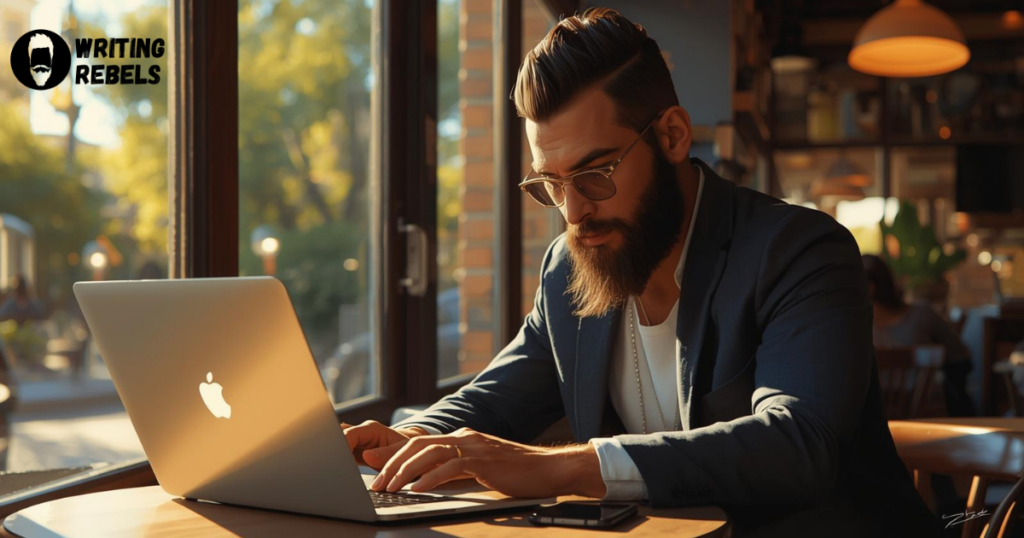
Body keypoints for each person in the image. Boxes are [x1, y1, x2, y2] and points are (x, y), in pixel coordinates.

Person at [343, 9, 944, 537]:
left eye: (595, 174)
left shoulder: (797, 250)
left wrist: (561, 466)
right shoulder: (569, 267)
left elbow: (797, 444)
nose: (574, 212)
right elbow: (494, 403)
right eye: (550, 185)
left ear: (673, 135)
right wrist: (404, 441)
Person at [862, 254, 975, 417]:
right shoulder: (922, 315)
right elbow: (961, 357)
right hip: (923, 416)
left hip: (871, 418)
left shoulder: (852, 329)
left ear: (870, 287)